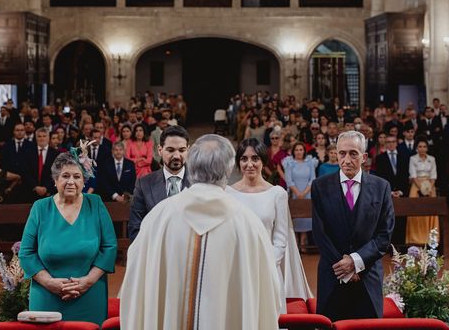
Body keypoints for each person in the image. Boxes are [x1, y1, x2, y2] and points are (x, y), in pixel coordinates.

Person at [120, 134, 282, 330]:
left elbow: (135, 283)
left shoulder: (159, 218)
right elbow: (268, 293)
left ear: (192, 165)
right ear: (229, 169)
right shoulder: (248, 224)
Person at [19, 151, 117, 324]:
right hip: (46, 294)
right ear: (56, 181)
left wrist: (87, 282)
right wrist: (49, 283)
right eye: (65, 176)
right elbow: (26, 253)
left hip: (90, 293)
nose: (71, 181)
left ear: (83, 181)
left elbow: (109, 247)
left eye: (77, 176)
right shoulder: (40, 207)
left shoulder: (95, 203)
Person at [311, 130, 394, 321]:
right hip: (333, 274)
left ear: (364, 157)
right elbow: (319, 233)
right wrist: (345, 268)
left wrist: (357, 263)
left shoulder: (382, 187)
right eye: (342, 153)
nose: (347, 159)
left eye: (353, 153)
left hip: (367, 276)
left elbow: (384, 235)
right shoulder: (320, 186)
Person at [226, 138, 312, 312]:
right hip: (236, 270)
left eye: (255, 158)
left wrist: (267, 263)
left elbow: (281, 237)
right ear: (238, 163)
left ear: (263, 161)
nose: (249, 164)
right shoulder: (227, 193)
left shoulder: (276, 193)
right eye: (244, 159)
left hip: (268, 269)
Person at [128, 125, 190, 241]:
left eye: (181, 150)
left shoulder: (198, 183)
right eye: (170, 150)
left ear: (188, 150)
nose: (176, 156)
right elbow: (134, 228)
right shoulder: (144, 184)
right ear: (160, 150)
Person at [283, 142, 319, 252]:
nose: (299, 152)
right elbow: (289, 180)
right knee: (296, 219)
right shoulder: (290, 163)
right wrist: (297, 193)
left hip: (307, 193)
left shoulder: (309, 163)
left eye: (301, 150)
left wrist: (304, 193)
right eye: (297, 150)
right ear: (293, 151)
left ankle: (304, 242)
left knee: (305, 218)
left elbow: (312, 178)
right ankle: (295, 245)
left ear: (304, 151)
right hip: (294, 193)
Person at [405, 138, 439, 244]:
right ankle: (415, 239)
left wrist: (428, 189)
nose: (422, 149)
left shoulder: (432, 159)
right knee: (416, 213)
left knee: (431, 213)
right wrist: (422, 188)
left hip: (430, 187)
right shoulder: (413, 159)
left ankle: (431, 240)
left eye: (424, 146)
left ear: (427, 148)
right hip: (416, 187)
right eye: (420, 146)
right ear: (416, 148)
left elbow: (433, 176)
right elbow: (413, 176)